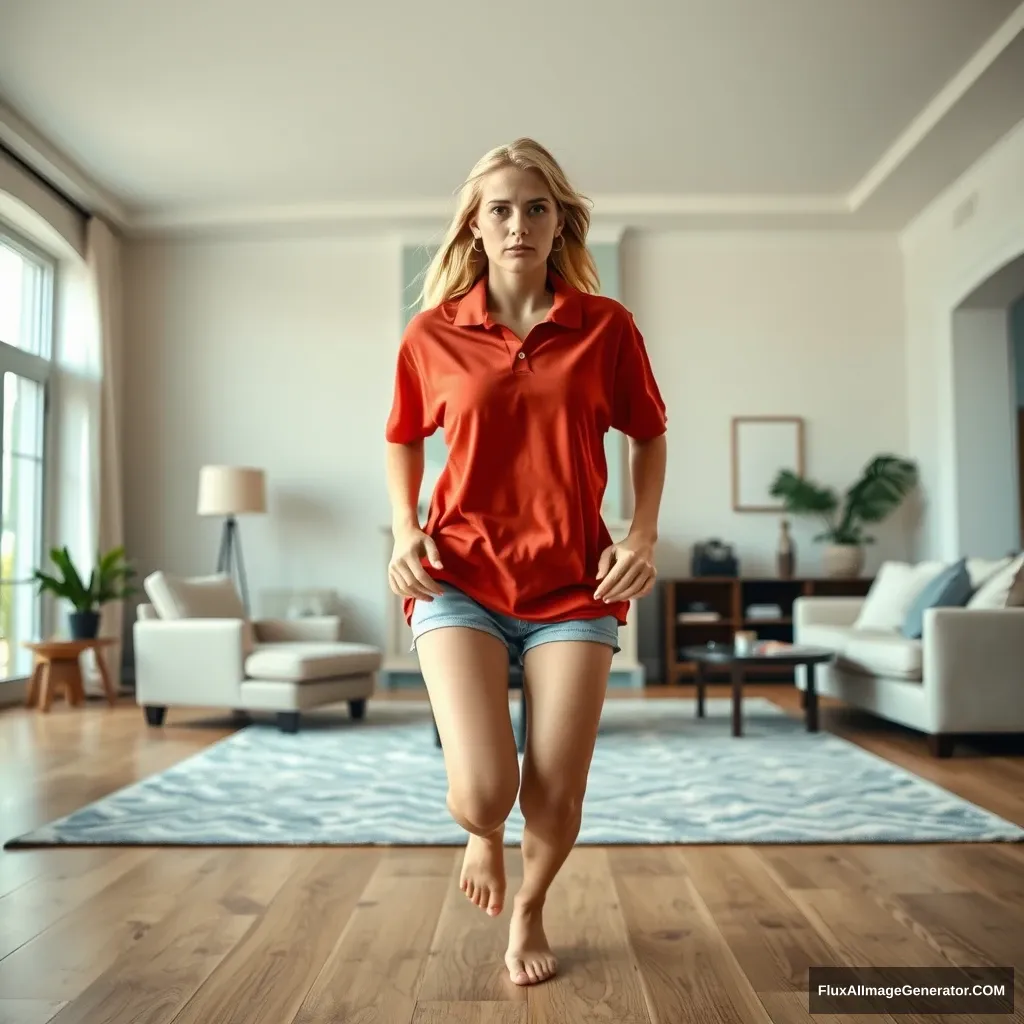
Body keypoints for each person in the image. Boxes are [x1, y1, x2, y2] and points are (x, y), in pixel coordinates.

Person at [384, 137, 667, 987]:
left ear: (559, 221)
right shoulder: (431, 333)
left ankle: (531, 911)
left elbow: (648, 432)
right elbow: (402, 436)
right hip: (457, 577)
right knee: (483, 792)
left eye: (536, 207)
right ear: (475, 223)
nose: (518, 223)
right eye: (500, 208)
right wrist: (404, 529)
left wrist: (641, 533)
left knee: (556, 796)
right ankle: (480, 832)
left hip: (575, 586)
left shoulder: (605, 326)